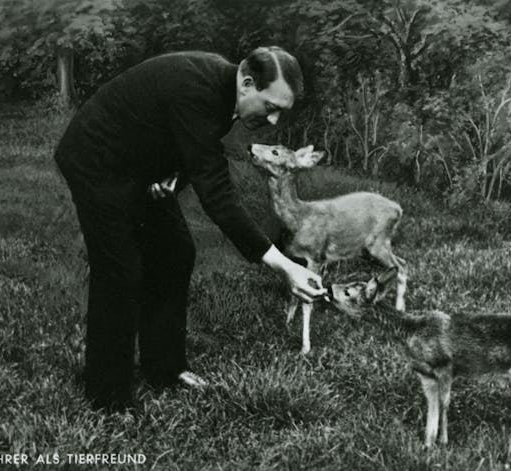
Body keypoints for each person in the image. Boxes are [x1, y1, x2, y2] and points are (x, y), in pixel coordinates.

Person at [54, 46, 326, 412]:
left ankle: (165, 369)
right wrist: (285, 265)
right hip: (96, 162)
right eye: (271, 107)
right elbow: (218, 195)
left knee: (175, 253)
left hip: (138, 165)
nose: (274, 122)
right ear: (247, 83)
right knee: (120, 270)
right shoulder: (199, 89)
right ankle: (107, 395)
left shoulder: (223, 89)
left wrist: (173, 173)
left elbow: (183, 139)